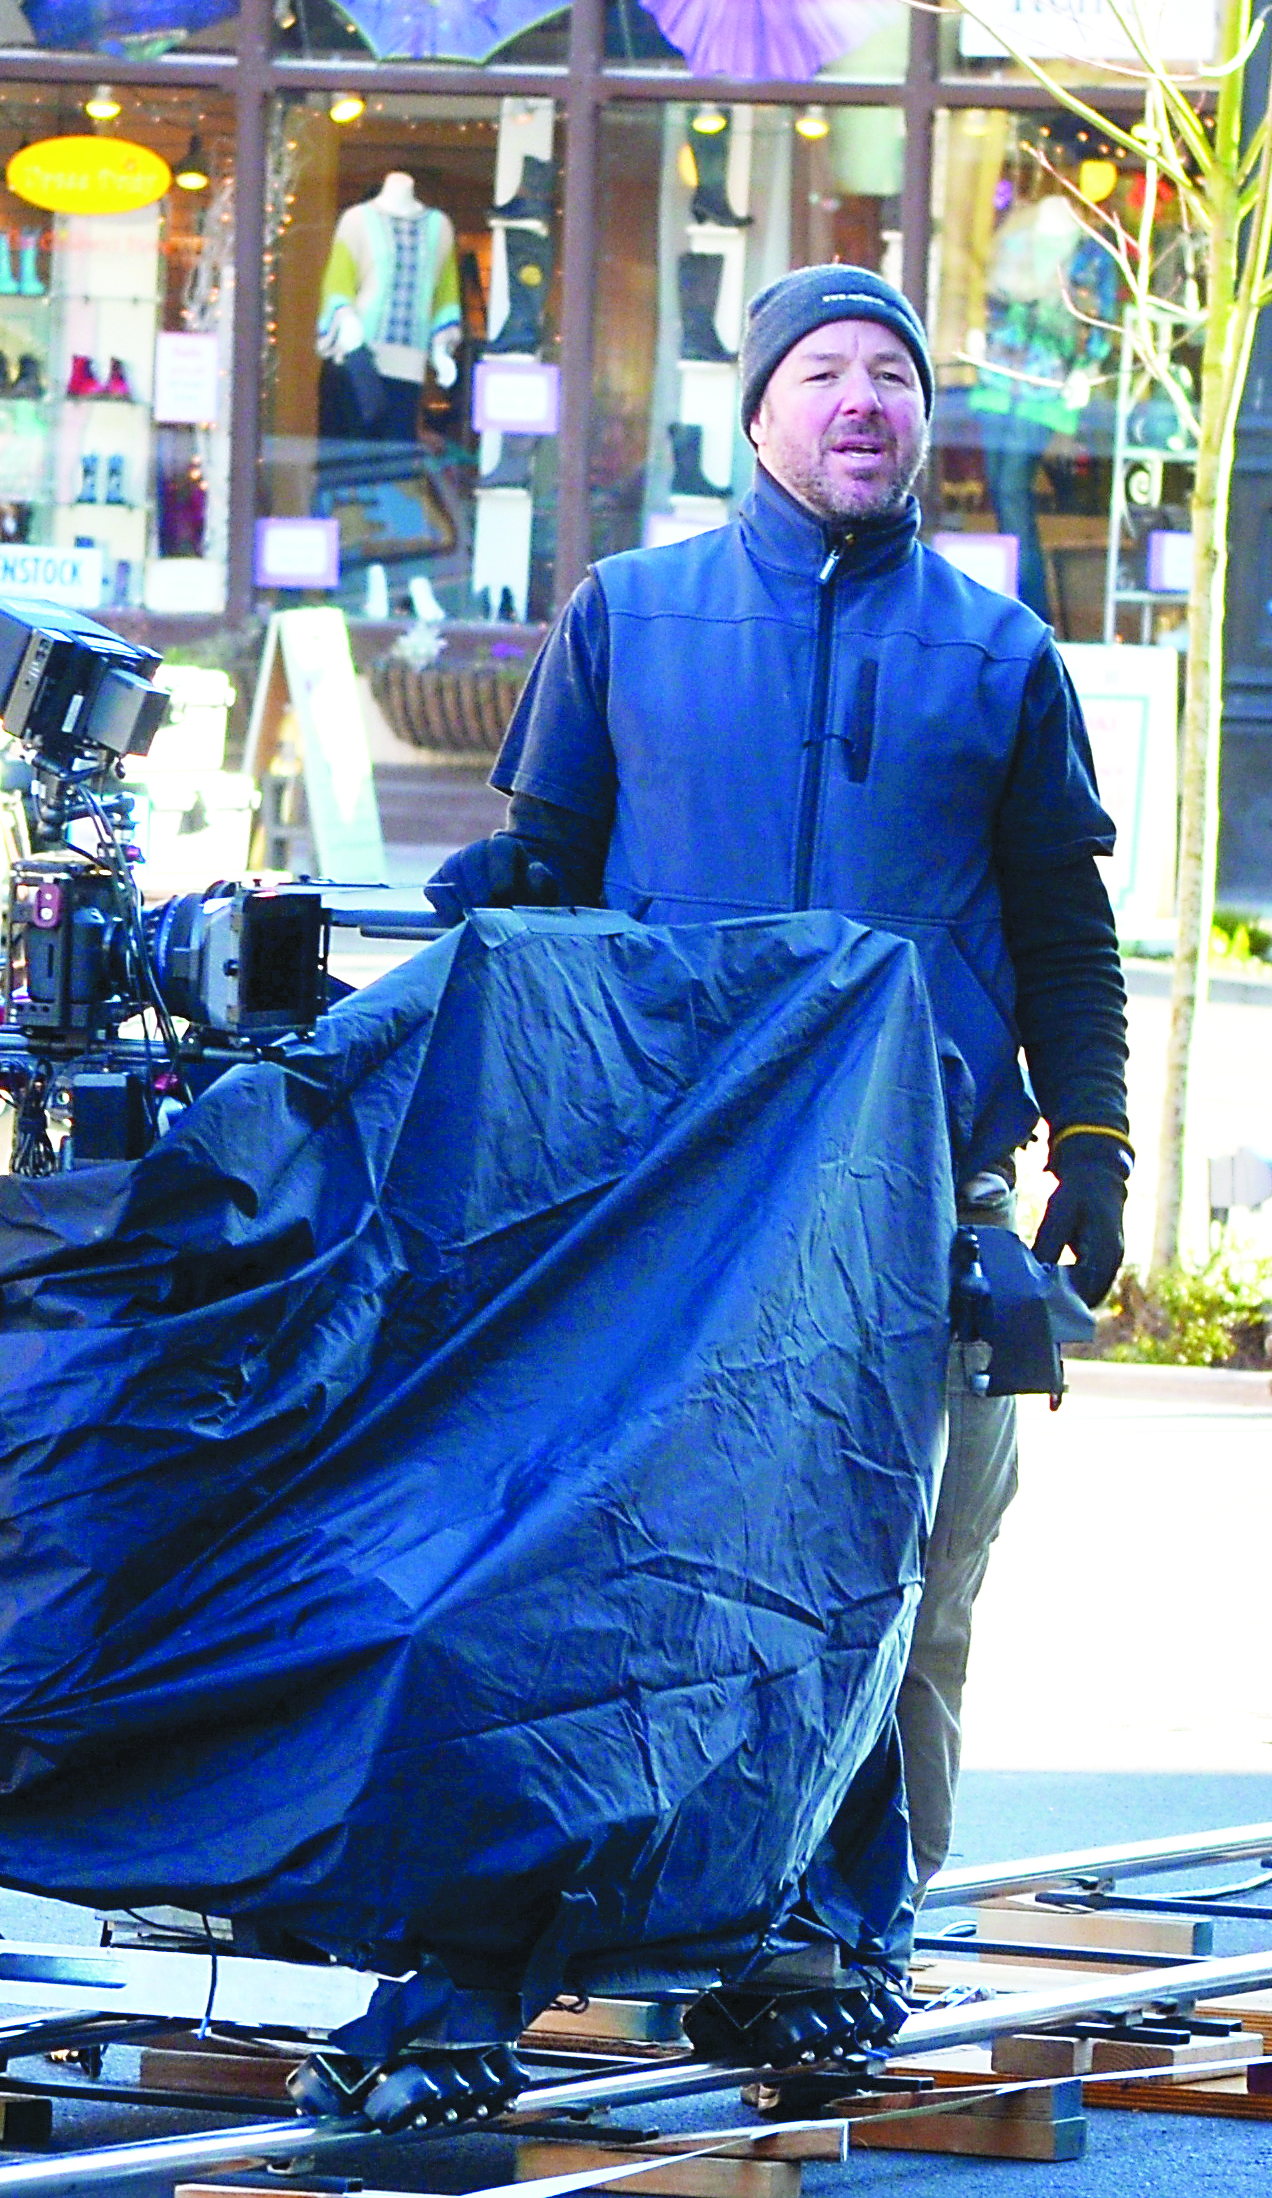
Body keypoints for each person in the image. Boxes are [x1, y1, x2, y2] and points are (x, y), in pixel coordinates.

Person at [423, 264, 1134, 1903]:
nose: (860, 401)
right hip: (675, 1199)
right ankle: (668, 1904)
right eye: (821, 371)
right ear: (756, 410)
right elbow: (554, 878)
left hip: (913, 1203)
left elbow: (1060, 929)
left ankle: (857, 1929)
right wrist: (505, 883)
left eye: (888, 373)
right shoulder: (624, 616)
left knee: (913, 1577)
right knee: (669, 1570)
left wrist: (1089, 1141)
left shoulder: (998, 655)